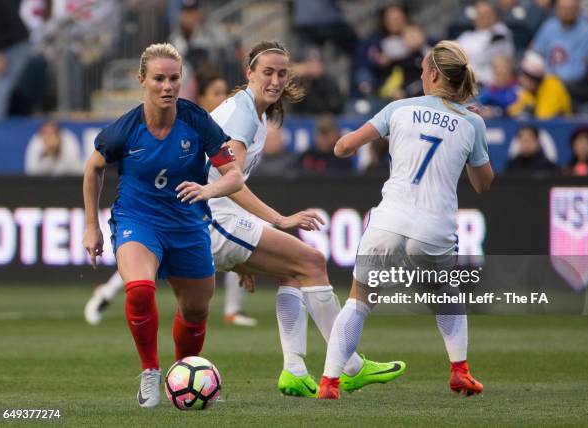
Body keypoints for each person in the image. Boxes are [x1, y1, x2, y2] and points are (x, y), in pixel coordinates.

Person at [190, 40, 405, 397]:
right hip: (211, 218)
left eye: (281, 73)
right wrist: (280, 219)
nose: (275, 80)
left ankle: (294, 370)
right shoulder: (242, 114)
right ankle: (348, 365)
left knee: (294, 271)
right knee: (312, 261)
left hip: (214, 218)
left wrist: (242, 260)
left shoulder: (253, 112)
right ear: (249, 74)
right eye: (267, 72)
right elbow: (232, 183)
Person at [317, 40, 494, 399]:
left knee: (358, 299)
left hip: (388, 221)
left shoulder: (398, 108)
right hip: (434, 227)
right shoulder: (472, 122)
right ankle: (459, 371)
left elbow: (344, 147)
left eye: (422, 71)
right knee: (446, 290)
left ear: (432, 73)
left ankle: (329, 382)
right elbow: (483, 184)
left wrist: (346, 143)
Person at [82, 43, 243, 408]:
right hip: (138, 220)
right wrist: (91, 226)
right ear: (142, 80)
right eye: (159, 79)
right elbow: (92, 168)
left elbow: (233, 177)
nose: (168, 86)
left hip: (187, 223)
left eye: (174, 78)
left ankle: (181, 373)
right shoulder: (125, 129)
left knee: (197, 311)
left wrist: (208, 189)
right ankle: (151, 372)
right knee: (139, 290)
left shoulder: (196, 120)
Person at [85, 69, 257, 328]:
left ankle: (231, 309)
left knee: (194, 305)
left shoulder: (208, 126)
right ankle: (110, 297)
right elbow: (95, 166)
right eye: (216, 93)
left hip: (195, 215)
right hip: (163, 214)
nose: (222, 99)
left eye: (225, 93)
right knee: (142, 268)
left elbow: (232, 179)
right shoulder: (183, 122)